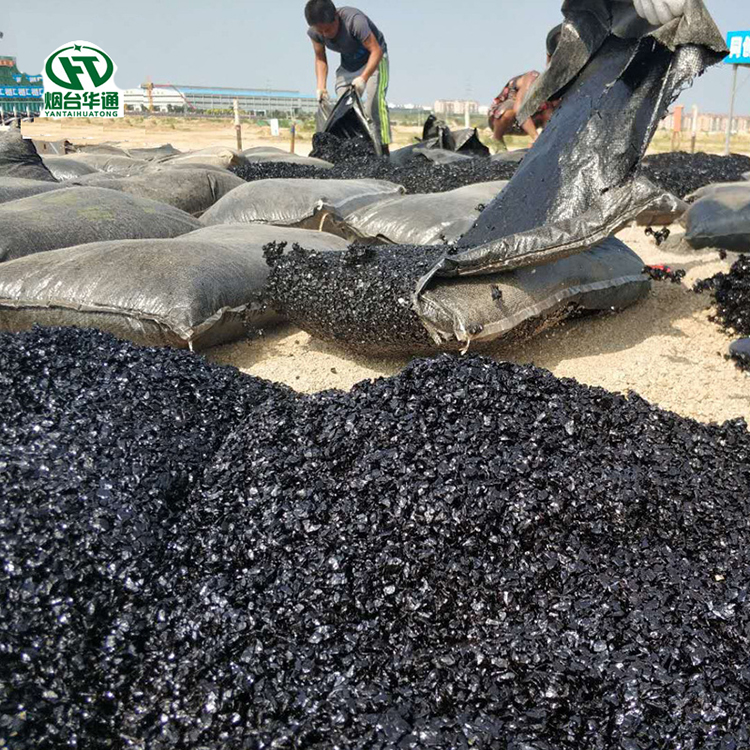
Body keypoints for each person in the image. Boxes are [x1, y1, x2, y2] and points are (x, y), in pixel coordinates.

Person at [305, 0, 392, 155]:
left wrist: (363, 78)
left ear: (336, 17)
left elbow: (376, 51)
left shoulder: (354, 21)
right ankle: (350, 150)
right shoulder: (315, 33)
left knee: (374, 104)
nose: (325, 34)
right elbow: (320, 58)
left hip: (375, 60)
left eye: (328, 29)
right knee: (342, 110)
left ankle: (384, 150)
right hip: (348, 65)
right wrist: (321, 87)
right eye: (320, 31)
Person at [487, 25, 562, 149]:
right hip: (501, 118)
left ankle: (545, 142)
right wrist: (535, 137)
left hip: (529, 121)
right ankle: (497, 140)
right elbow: (519, 109)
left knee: (549, 112)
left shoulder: (553, 94)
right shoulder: (532, 78)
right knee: (510, 110)